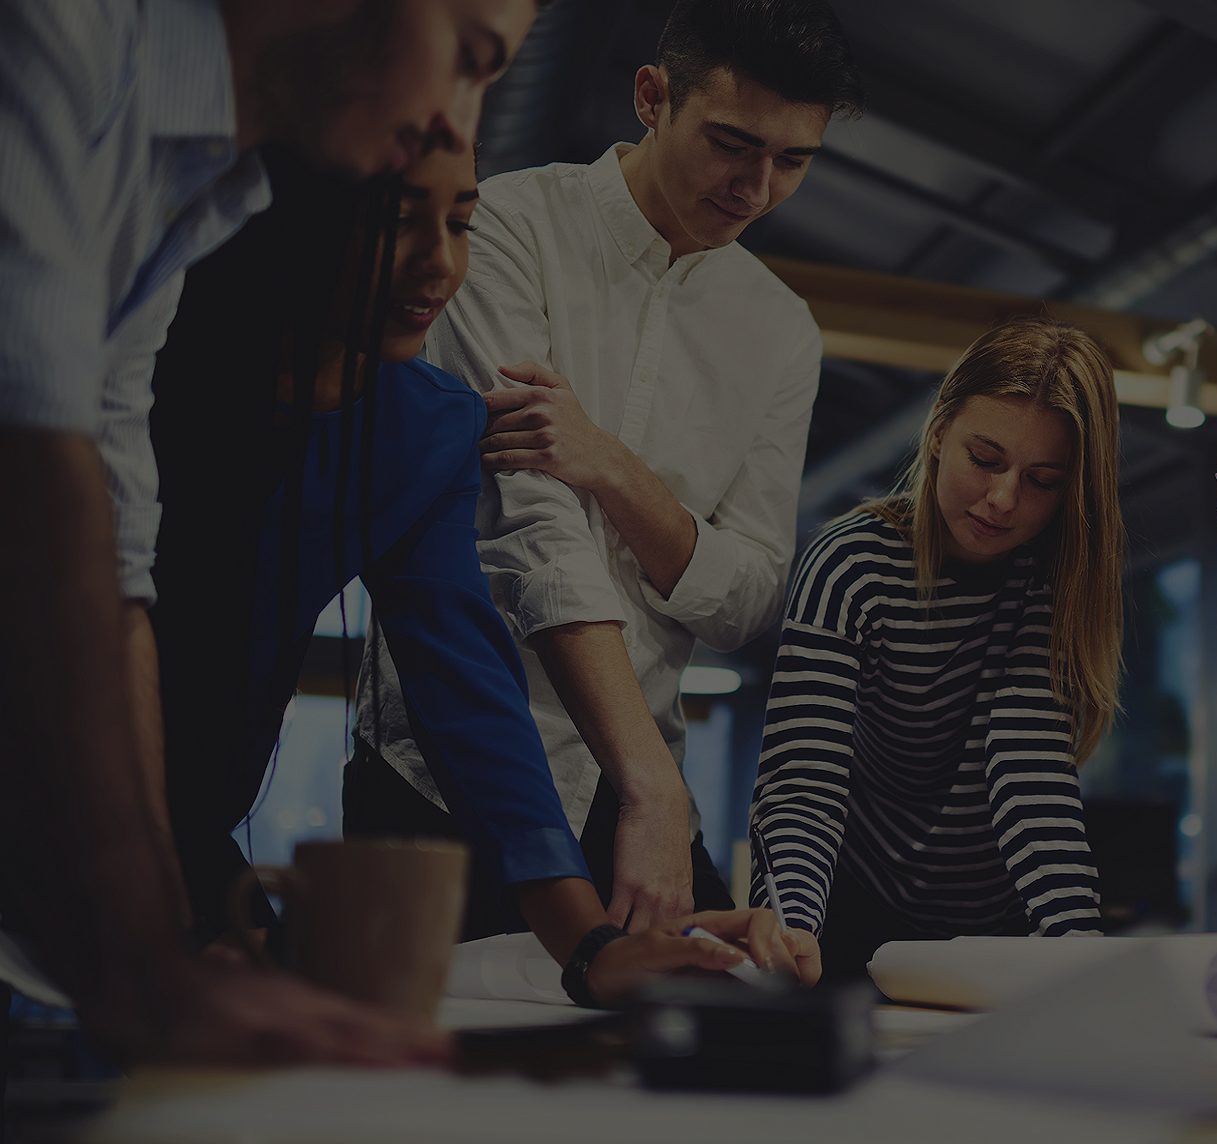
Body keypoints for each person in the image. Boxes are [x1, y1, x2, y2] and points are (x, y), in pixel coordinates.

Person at [0, 0, 541, 1066]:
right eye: (468, 62)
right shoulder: (55, 36)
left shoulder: (197, 192)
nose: (452, 121)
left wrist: (172, 939)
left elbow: (117, 564)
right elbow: (32, 470)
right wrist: (145, 970)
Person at [150, 144, 816, 1006]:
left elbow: (465, 686)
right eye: (396, 224)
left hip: (185, 825)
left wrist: (590, 950)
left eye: (460, 223)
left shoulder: (421, 429)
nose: (441, 265)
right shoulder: (141, 374)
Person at [351, 0, 863, 939]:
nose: (756, 188)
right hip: (443, 773)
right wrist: (653, 786)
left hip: (630, 790)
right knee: (426, 1073)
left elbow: (748, 600)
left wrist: (613, 467)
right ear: (651, 97)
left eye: (792, 161)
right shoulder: (502, 226)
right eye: (732, 143)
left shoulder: (782, 330)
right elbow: (525, 525)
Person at [750, 316, 1125, 980]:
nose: (1003, 499)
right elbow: (804, 781)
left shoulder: (1048, 584)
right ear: (938, 433)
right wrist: (791, 923)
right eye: (984, 459)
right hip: (848, 911)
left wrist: (1077, 944)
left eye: (1041, 480)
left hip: (996, 930)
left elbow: (1031, 778)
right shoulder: (852, 565)